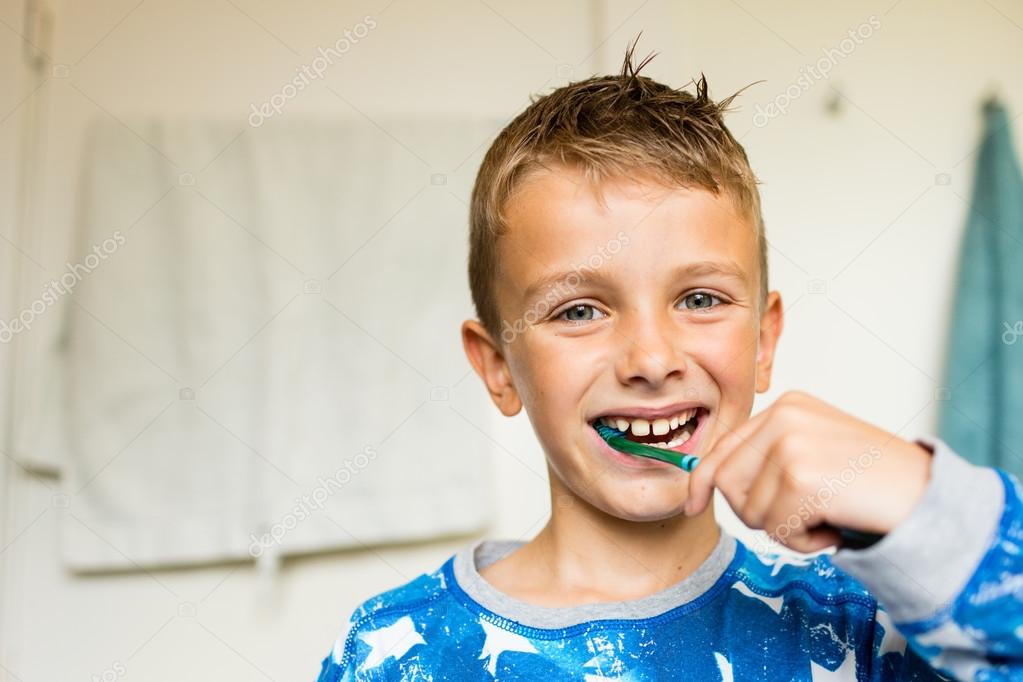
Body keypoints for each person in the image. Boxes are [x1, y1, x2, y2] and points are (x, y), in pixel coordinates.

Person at [315, 39, 1022, 680]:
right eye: (578, 311)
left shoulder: (862, 628)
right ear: (496, 366)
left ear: (763, 342)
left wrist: (916, 498)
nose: (650, 360)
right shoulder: (391, 651)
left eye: (700, 299)